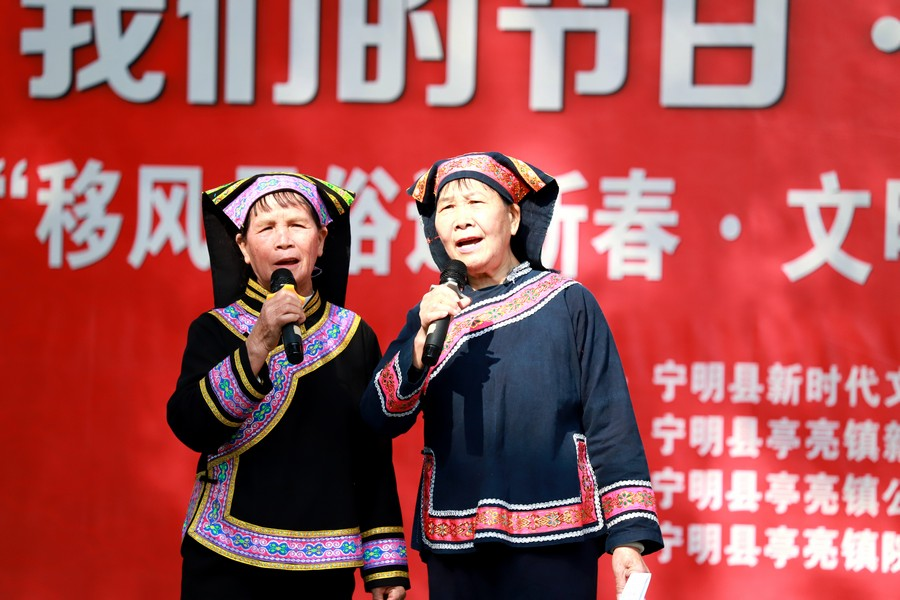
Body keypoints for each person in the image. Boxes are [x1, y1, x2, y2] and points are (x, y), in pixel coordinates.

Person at [360, 152, 663, 599]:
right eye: (447, 208)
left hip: (558, 540)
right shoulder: (431, 316)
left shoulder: (568, 302)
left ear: (514, 217)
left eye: (475, 202)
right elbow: (378, 418)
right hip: (456, 541)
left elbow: (610, 423)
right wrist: (419, 348)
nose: (461, 219)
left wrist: (628, 537)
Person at [167, 173, 409, 599]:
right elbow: (191, 426)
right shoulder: (214, 329)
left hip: (325, 564)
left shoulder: (354, 335)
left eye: (297, 225)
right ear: (243, 248)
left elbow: (371, 458)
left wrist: (384, 565)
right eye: (266, 228)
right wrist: (258, 343)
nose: (283, 240)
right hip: (225, 557)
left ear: (321, 240)